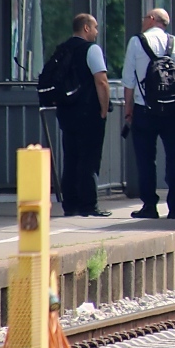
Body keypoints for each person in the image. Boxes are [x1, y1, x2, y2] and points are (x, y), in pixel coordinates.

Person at [123, 8, 175, 219]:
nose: (143, 21)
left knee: (146, 159)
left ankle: (150, 206)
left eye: (145, 17)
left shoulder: (137, 42)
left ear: (152, 19)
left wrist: (128, 109)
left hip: (145, 109)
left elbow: (128, 79)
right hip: (173, 111)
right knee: (174, 157)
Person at [56, 14, 111, 217]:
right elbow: (101, 81)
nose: (97, 31)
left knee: (70, 159)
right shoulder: (91, 49)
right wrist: (104, 109)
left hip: (66, 112)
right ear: (86, 28)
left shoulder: (63, 49)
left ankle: (70, 205)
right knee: (89, 159)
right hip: (88, 112)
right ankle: (88, 205)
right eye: (95, 27)